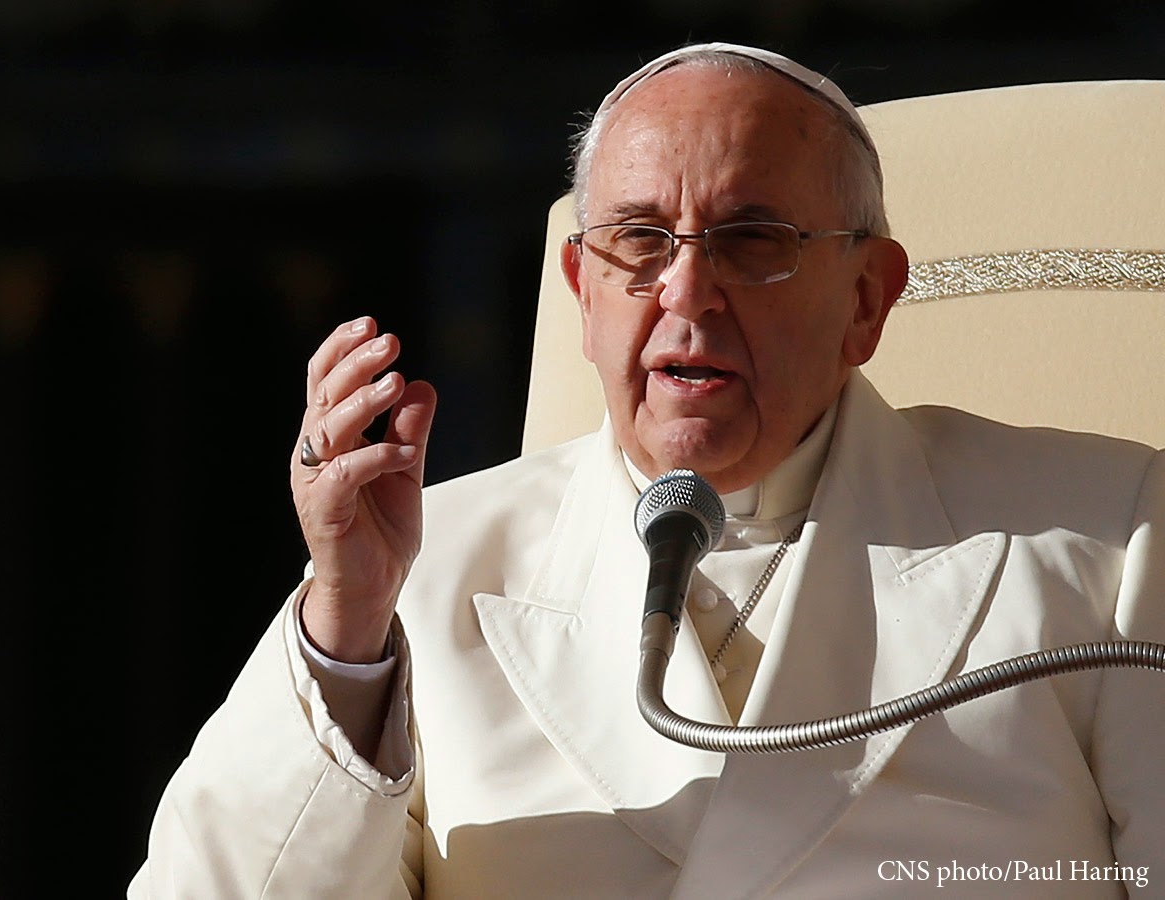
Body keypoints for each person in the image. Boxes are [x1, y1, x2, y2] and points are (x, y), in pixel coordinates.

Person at [129, 42, 1163, 898]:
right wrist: (346, 628)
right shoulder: (422, 574)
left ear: (866, 299)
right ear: (582, 290)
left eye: (751, 239)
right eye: (639, 240)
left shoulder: (1112, 534)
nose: (688, 290)